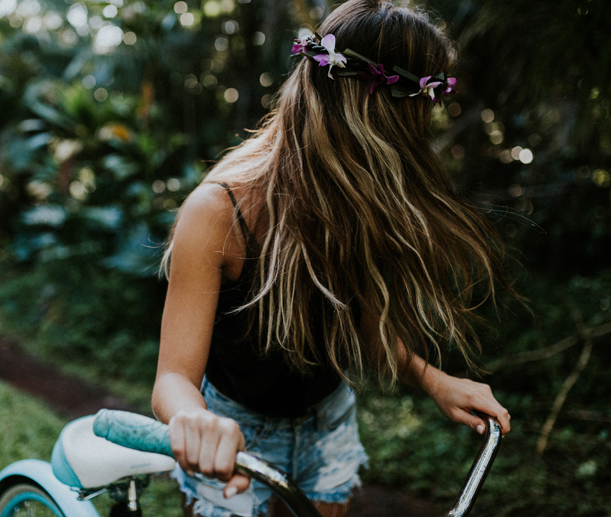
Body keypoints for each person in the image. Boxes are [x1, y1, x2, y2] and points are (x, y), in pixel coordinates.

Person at [152, 1, 513, 516]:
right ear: (379, 116)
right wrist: (196, 422)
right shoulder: (219, 211)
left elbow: (364, 325)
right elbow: (173, 379)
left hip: (328, 422)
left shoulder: (365, 200)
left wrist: (434, 379)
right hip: (233, 428)